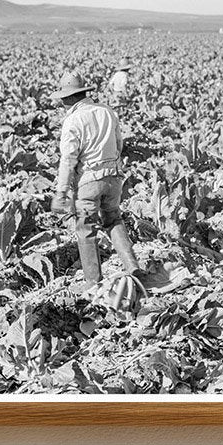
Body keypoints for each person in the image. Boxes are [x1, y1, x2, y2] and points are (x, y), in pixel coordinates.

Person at [49, 71, 142, 288]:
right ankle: (132, 266)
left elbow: (68, 160)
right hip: (113, 178)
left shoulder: (73, 120)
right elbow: (119, 144)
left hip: (88, 182)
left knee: (86, 229)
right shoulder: (106, 111)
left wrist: (61, 192)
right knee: (113, 220)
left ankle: (92, 282)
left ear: (70, 97)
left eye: (63, 98)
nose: (62, 102)